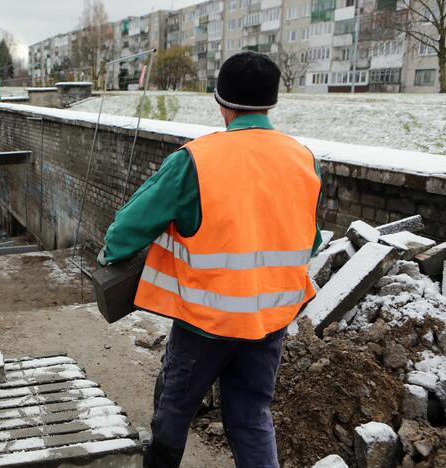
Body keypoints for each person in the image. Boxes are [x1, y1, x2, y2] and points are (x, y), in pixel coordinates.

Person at [97, 52, 323, 468]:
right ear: (271, 104)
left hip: (206, 320)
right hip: (270, 319)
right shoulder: (303, 159)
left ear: (222, 103)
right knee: (252, 415)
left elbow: (127, 229)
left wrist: (112, 255)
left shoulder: (195, 161)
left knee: (175, 408)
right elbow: (312, 239)